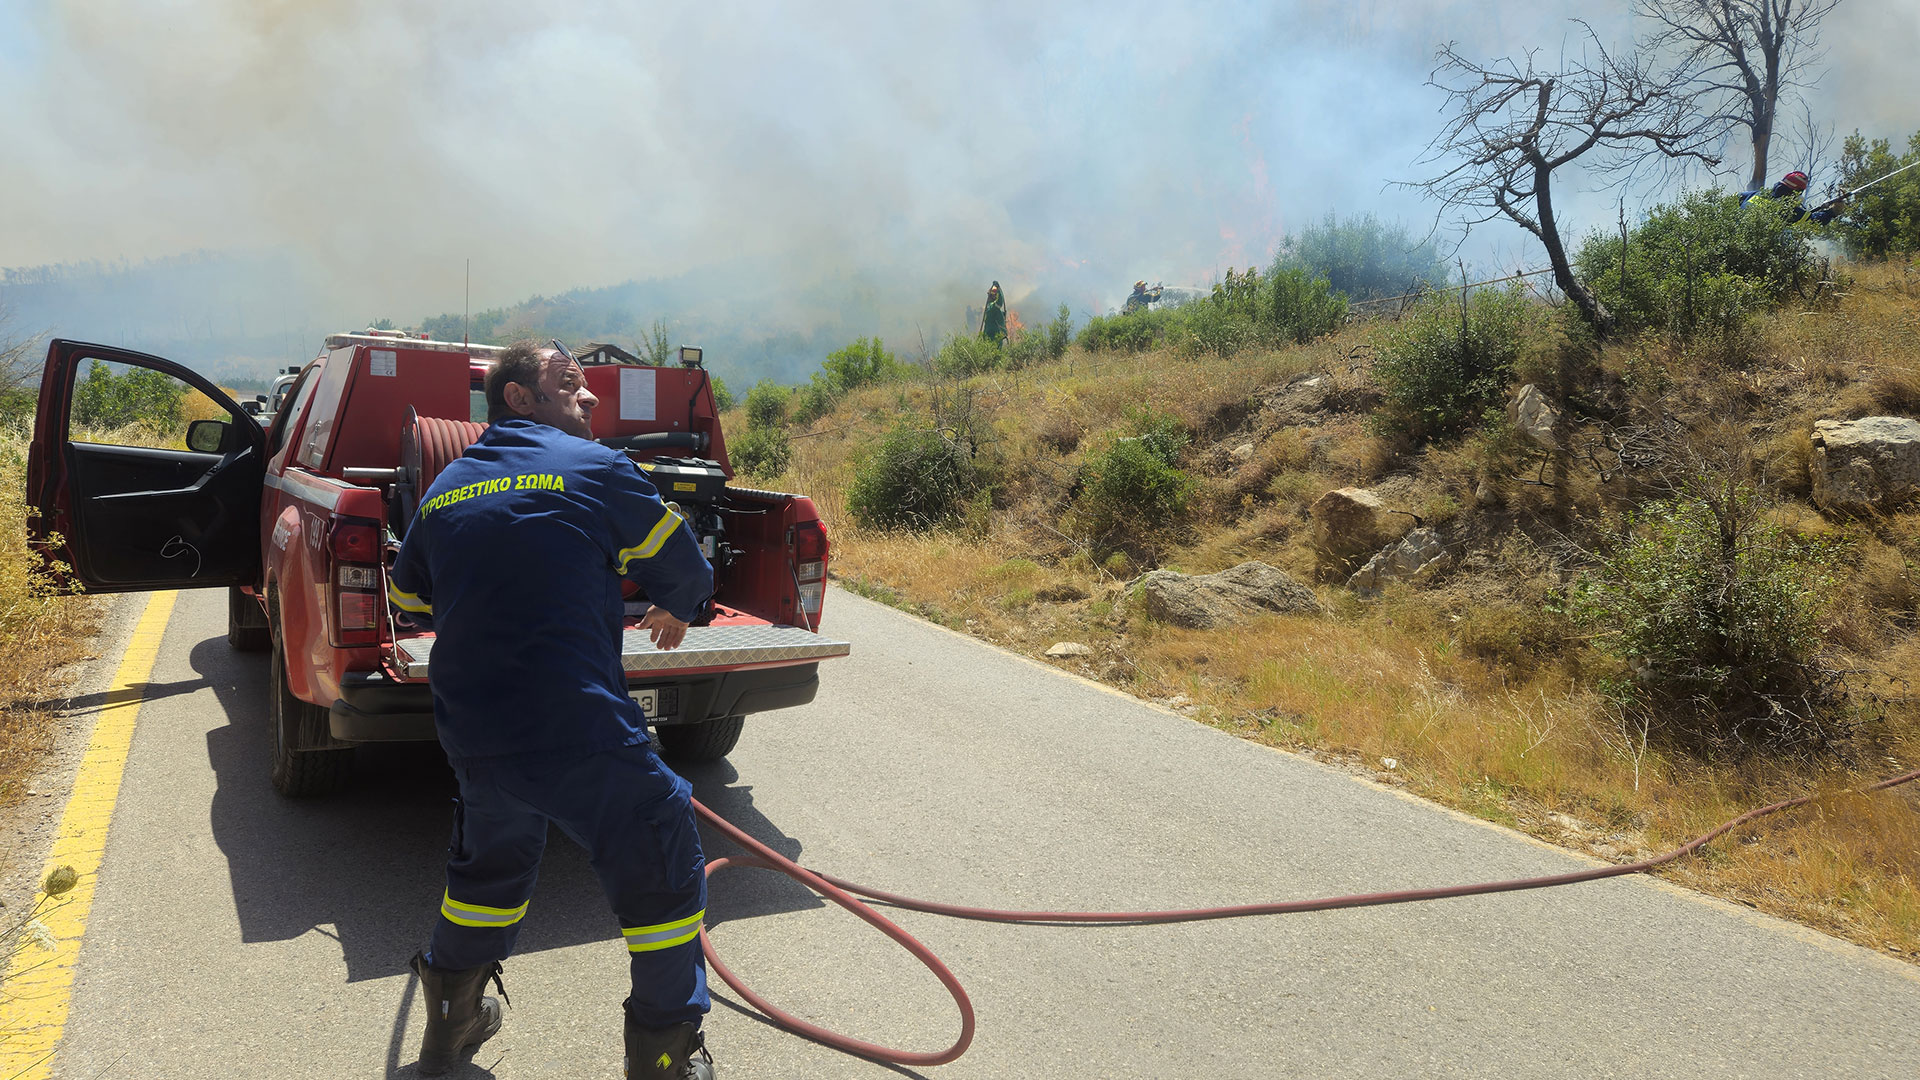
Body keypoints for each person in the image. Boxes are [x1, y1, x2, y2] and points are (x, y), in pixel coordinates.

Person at [387, 339, 717, 1079]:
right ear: (518, 397)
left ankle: (450, 1026)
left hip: (475, 737)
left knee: (486, 879)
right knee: (660, 870)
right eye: (571, 384)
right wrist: (678, 604)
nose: (591, 397)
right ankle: (664, 1053)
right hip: (580, 729)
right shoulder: (598, 469)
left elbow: (408, 601)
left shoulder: (443, 491)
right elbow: (686, 569)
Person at [1739, 170, 1838, 225]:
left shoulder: (1755, 194)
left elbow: (1735, 198)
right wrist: (1832, 212)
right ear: (1795, 192)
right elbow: (1815, 220)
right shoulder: (1787, 209)